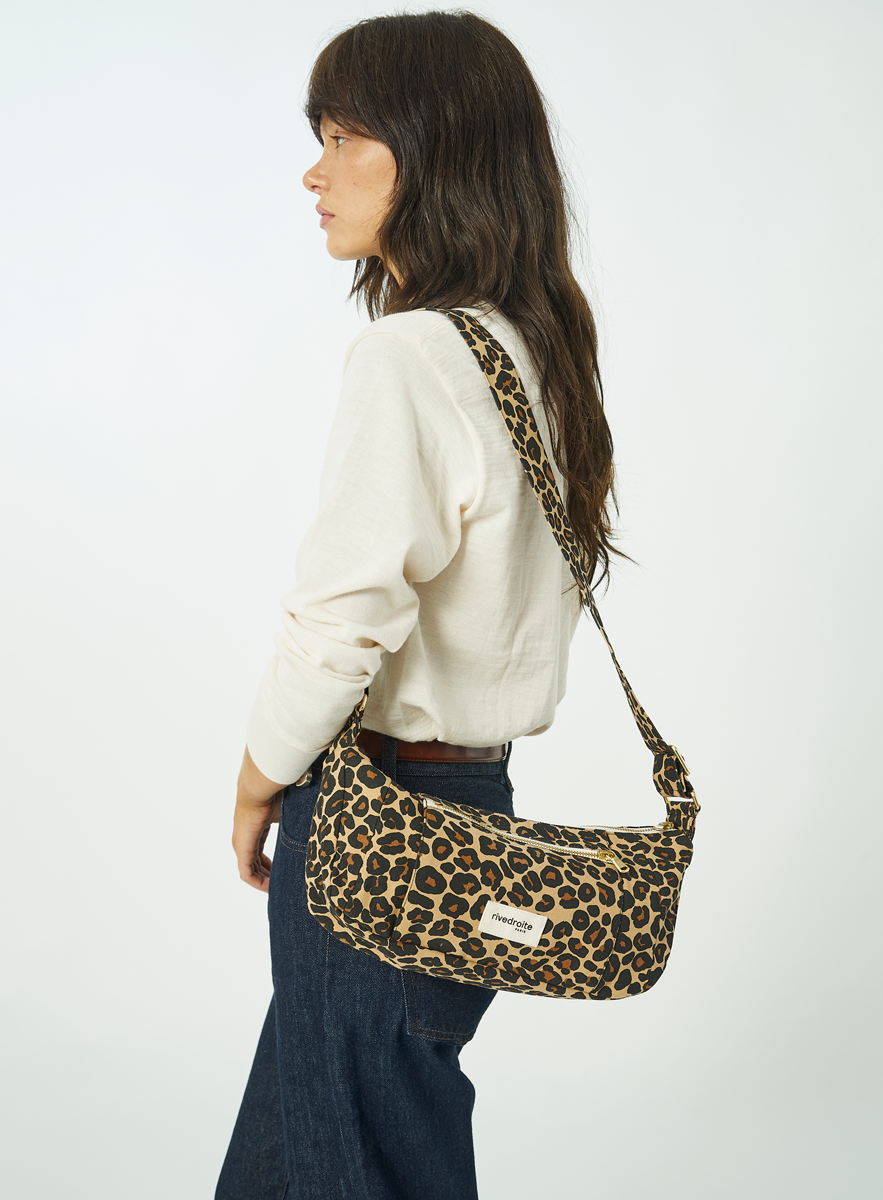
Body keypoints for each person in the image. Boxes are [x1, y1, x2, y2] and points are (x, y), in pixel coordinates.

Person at [216, 11, 622, 1199]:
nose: (316, 171)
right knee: (298, 1162)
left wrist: (257, 776)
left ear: (435, 154)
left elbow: (342, 619)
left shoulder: (410, 357)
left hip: (377, 816)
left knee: (365, 1163)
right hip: (471, 807)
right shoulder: (534, 351)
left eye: (347, 139)